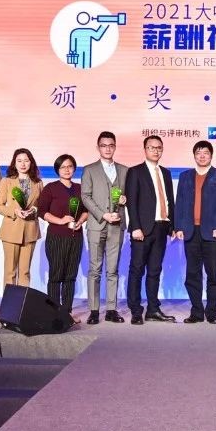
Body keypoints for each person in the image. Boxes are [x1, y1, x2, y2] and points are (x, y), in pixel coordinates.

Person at [174, 140, 216, 324]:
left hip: (212, 232)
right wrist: (178, 227)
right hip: (191, 231)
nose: (202, 156)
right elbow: (179, 202)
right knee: (192, 274)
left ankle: (212, 312)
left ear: (211, 155)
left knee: (213, 274)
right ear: (194, 155)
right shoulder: (185, 176)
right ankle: (196, 311)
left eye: (205, 152)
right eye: (198, 152)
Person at [124, 135, 177, 324]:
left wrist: (172, 225)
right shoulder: (135, 172)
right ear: (145, 149)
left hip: (162, 227)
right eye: (151, 147)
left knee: (155, 270)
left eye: (159, 148)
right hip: (142, 229)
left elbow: (170, 200)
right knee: (137, 270)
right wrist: (135, 227)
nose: (155, 150)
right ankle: (136, 310)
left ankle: (153, 309)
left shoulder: (166, 173)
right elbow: (131, 202)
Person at [81, 131, 128, 325]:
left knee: (113, 269)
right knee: (95, 269)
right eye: (103, 145)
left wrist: (125, 199)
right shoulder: (89, 170)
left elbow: (129, 195)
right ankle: (94, 310)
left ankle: (111, 309)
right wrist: (102, 214)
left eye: (111, 145)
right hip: (96, 225)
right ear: (98, 147)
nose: (107, 149)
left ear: (115, 147)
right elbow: (85, 196)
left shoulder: (124, 170)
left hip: (117, 225)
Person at [39, 154, 88, 321]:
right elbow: (42, 211)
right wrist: (60, 220)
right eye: (63, 167)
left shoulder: (80, 188)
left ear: (74, 168)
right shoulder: (50, 188)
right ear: (57, 170)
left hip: (76, 237)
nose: (67, 170)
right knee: (56, 275)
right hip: (57, 237)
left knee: (70, 276)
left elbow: (86, 210)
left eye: (70, 166)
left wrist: (81, 221)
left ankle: (66, 312)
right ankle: (53, 313)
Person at [0, 147, 42, 291]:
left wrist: (34, 210)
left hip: (30, 230)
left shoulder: (38, 183)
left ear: (31, 163)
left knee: (25, 272)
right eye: (19, 160)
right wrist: (15, 211)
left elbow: (41, 205)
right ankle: (9, 304)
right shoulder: (6, 181)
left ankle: (22, 303)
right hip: (11, 230)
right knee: (10, 271)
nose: (23, 164)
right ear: (14, 163)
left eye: (26, 160)